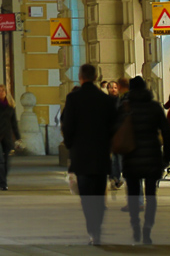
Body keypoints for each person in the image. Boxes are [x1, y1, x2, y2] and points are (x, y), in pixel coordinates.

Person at [61, 63, 117, 246]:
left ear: (81, 77)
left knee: (86, 195)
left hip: (81, 154)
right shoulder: (106, 100)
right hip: (100, 154)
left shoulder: (73, 98)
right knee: (99, 194)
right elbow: (113, 127)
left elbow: (67, 125)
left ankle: (92, 229)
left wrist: (70, 145)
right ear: (96, 77)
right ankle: (97, 227)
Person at [117, 76, 170, 245]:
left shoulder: (125, 107)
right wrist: (166, 157)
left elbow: (115, 130)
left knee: (133, 195)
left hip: (131, 157)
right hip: (152, 157)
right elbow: (167, 132)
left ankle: (135, 228)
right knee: (151, 196)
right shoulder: (155, 107)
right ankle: (148, 228)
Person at [107, 78, 125, 188]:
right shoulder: (106, 101)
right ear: (108, 89)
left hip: (120, 132)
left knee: (118, 157)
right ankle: (114, 177)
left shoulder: (122, 101)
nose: (113, 90)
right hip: (111, 133)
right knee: (113, 157)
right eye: (111, 88)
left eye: (115, 88)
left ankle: (116, 177)